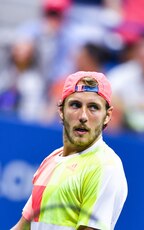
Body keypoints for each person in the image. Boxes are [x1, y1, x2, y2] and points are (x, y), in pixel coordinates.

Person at [11, 71, 128, 230]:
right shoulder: (52, 159)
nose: (83, 116)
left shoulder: (105, 166)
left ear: (107, 116)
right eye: (75, 105)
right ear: (61, 111)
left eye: (93, 107)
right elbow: (24, 227)